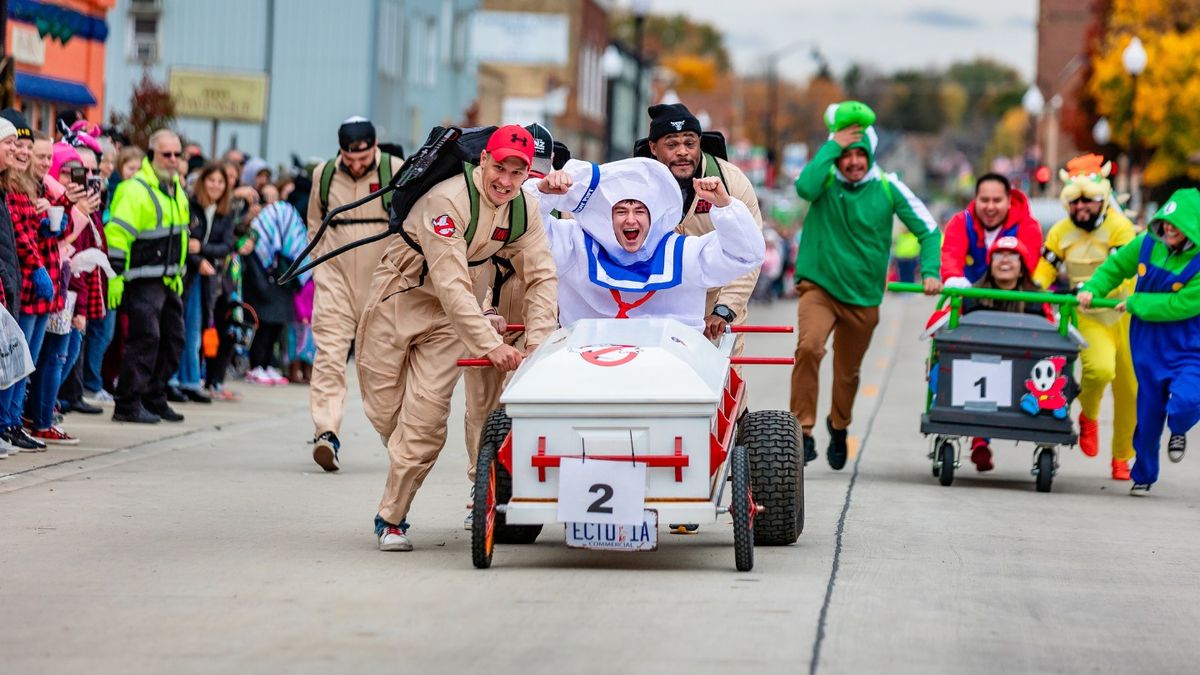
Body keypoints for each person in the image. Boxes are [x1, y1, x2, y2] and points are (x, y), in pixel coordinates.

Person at [356, 125, 557, 552]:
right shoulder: (447, 200)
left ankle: (391, 518)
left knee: (425, 420)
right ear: (483, 160)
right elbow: (448, 284)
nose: (506, 180)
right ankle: (404, 451)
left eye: (517, 173)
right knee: (384, 412)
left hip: (453, 320)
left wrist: (538, 344)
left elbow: (541, 276)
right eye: (500, 167)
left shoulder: (524, 211)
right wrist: (491, 345)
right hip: (399, 297)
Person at [790, 101, 942, 469]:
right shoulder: (824, 180)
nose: (854, 161)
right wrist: (832, 146)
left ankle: (839, 425)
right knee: (809, 348)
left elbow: (929, 230)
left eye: (861, 154)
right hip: (820, 287)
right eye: (847, 154)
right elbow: (803, 187)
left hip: (863, 296)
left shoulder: (889, 188)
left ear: (870, 155)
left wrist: (930, 270)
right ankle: (803, 431)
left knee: (848, 372)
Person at [535, 157, 764, 329]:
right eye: (621, 211)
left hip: (665, 383)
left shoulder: (683, 254)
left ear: (653, 216)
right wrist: (543, 194)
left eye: (640, 211)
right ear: (607, 217)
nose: (631, 219)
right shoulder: (577, 247)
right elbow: (531, 235)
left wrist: (725, 206)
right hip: (589, 378)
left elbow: (745, 255)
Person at [1079, 189, 1200, 496]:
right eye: (1166, 222)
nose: (1169, 230)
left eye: (1178, 225)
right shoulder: (1147, 243)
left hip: (1189, 347)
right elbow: (1116, 267)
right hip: (1147, 345)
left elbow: (1181, 304)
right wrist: (1093, 289)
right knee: (1146, 415)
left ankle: (1180, 428)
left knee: (1186, 401)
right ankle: (1143, 473)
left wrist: (1135, 303)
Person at [305, 116, 404, 472]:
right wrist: (320, 267)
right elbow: (315, 224)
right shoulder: (325, 174)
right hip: (336, 279)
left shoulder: (396, 169)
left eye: (363, 159)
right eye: (350, 158)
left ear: (374, 148)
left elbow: (410, 223)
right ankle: (326, 432)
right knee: (329, 355)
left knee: (380, 364)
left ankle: (392, 430)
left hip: (382, 280)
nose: (356, 165)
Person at [1033, 155, 1136, 480]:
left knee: (1130, 390)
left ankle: (1122, 456)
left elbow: (1123, 271)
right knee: (1100, 369)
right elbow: (1044, 270)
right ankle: (1088, 416)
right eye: (1075, 202)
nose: (1081, 208)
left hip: (1124, 315)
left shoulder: (1120, 228)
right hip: (1087, 316)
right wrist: (1035, 291)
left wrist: (1092, 286)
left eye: (1088, 201)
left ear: (1102, 199)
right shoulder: (1061, 232)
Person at [642, 104, 764, 340]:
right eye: (671, 144)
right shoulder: (634, 184)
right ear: (653, 148)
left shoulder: (732, 182)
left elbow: (750, 251)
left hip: (717, 309)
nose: (682, 152)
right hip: (656, 307)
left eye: (690, 143)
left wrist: (724, 310)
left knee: (724, 375)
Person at [105, 129, 190, 424]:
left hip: (167, 280)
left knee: (174, 340)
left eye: (177, 154)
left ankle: (154, 397)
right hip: (141, 280)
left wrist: (177, 273)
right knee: (146, 339)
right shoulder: (135, 189)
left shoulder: (175, 189)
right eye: (166, 154)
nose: (172, 160)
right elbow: (116, 235)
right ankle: (127, 404)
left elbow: (178, 235)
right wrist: (114, 276)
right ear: (152, 154)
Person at [952, 236, 1053, 472]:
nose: (1005, 261)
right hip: (981, 367)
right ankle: (980, 442)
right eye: (998, 255)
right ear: (990, 263)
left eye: (1012, 256)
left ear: (1022, 267)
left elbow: (1051, 332)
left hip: (1024, 369)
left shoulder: (1038, 299)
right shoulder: (972, 296)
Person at [168, 163, 236, 403]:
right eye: (212, 180)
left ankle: (190, 379)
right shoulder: (190, 204)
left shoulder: (226, 212)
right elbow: (184, 240)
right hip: (185, 272)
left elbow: (227, 246)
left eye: (221, 182)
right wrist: (198, 259)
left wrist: (203, 250)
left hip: (206, 279)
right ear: (203, 181)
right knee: (178, 326)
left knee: (195, 328)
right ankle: (172, 379)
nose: (216, 185)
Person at [242, 200, 309, 385]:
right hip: (263, 282)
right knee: (264, 328)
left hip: (279, 283)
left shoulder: (283, 223)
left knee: (275, 328)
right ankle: (256, 365)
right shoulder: (257, 230)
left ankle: (267, 364)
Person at [941, 173, 1042, 288]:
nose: (990, 207)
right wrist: (954, 279)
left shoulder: (1027, 226)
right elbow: (951, 258)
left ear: (1009, 200)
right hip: (969, 298)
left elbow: (1029, 266)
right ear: (976, 199)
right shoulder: (961, 223)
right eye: (984, 200)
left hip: (1014, 297)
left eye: (997, 200)